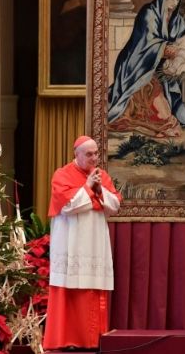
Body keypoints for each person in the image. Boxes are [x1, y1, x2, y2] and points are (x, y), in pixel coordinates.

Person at [44, 135, 122, 351]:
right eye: (89, 154)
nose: (94, 158)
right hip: (71, 239)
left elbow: (114, 205)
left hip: (95, 240)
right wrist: (88, 187)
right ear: (76, 154)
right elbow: (67, 206)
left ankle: (92, 340)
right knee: (69, 289)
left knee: (93, 287)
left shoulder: (102, 176)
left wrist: (98, 189)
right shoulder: (62, 175)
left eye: (96, 153)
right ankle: (67, 339)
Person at [107, 0, 185, 137]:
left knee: (165, 113)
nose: (174, 2)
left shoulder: (174, 18)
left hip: (155, 66)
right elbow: (146, 41)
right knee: (160, 112)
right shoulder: (149, 13)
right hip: (136, 64)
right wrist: (165, 48)